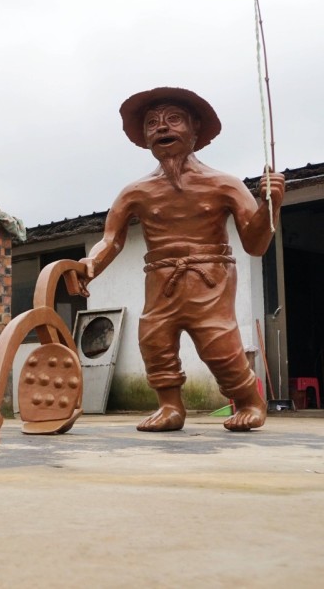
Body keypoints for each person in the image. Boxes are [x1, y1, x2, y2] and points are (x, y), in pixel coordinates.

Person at [79, 87, 285, 432]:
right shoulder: (135, 192)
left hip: (210, 276)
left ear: (195, 128)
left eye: (173, 119)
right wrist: (90, 266)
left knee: (220, 345)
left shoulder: (225, 185)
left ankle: (250, 401)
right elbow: (110, 241)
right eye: (152, 123)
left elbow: (255, 244)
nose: (162, 128)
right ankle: (170, 407)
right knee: (154, 341)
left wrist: (270, 206)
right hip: (160, 278)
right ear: (145, 137)